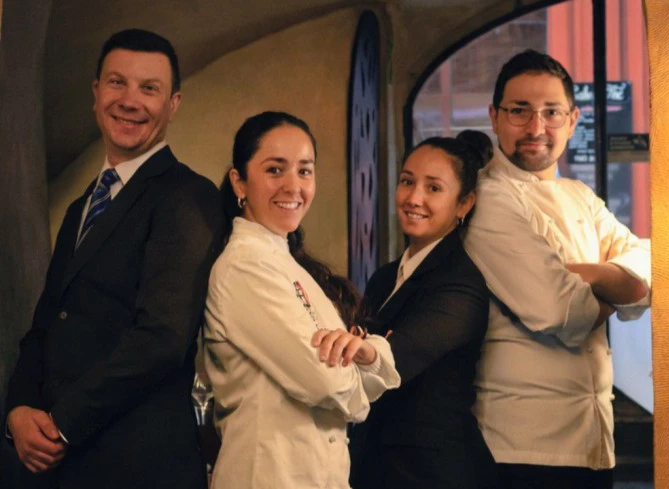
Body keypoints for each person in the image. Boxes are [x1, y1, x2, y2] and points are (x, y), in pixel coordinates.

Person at [4, 29, 223, 488]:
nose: (130, 100)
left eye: (150, 88)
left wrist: (62, 422)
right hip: (61, 467)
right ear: (95, 93)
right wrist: (18, 411)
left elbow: (162, 338)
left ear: (174, 104)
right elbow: (45, 325)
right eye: (117, 83)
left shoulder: (188, 196)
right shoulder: (78, 208)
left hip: (138, 465)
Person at [462, 49, 652, 489]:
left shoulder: (580, 195)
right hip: (522, 446)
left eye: (551, 112)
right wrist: (616, 284)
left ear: (573, 119)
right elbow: (557, 310)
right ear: (494, 116)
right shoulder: (488, 198)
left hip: (592, 438)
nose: (535, 128)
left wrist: (587, 275)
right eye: (519, 111)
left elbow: (649, 267)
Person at [203, 111, 400, 489]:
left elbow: (354, 369)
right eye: (275, 170)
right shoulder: (244, 268)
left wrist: (367, 354)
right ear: (238, 181)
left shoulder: (289, 264)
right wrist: (362, 380)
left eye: (305, 171)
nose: (293, 186)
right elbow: (326, 383)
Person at [349, 131, 497, 489]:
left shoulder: (461, 285)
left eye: (433, 188)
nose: (414, 198)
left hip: (433, 470)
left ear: (464, 204)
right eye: (407, 182)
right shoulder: (386, 276)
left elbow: (395, 359)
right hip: (380, 464)